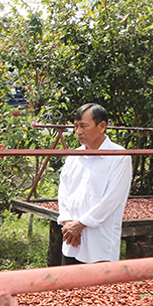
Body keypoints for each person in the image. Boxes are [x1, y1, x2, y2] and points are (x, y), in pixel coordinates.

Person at [57, 103, 132, 264]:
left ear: (102, 126)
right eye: (76, 126)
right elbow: (63, 191)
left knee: (99, 288)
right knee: (69, 286)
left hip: (100, 244)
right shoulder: (74, 157)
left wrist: (81, 224)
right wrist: (68, 222)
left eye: (83, 126)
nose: (78, 132)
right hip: (72, 241)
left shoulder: (119, 157)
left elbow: (112, 199)